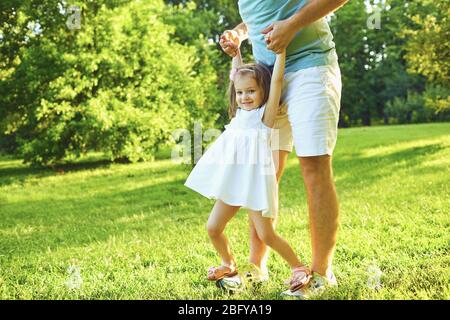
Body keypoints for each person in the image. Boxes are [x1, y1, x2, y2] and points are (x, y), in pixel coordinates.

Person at [219, 0, 348, 298]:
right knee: (262, 172)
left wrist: (292, 26)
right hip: (265, 78)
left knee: (313, 165)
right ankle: (256, 267)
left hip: (310, 68)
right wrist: (240, 33)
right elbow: (265, 14)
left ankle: (319, 274)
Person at [185, 48, 311, 292]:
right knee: (213, 228)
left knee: (267, 235)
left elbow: (275, 80)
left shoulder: (265, 117)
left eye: (251, 91)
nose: (244, 96)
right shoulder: (239, 114)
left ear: (262, 91)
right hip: (232, 183)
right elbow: (237, 76)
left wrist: (281, 54)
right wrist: (236, 53)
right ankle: (229, 264)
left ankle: (299, 268)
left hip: (254, 185)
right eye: (241, 92)